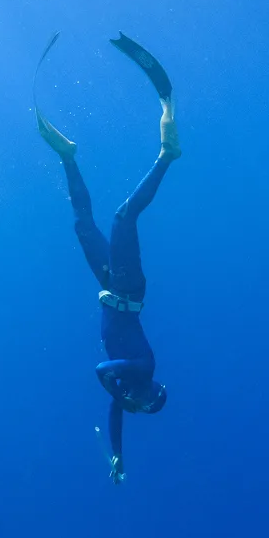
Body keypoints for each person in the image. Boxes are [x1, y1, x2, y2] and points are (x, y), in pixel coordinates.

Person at [35, 33, 180, 483]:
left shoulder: (126, 393)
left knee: (83, 225)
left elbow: (116, 415)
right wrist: (122, 394)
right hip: (128, 289)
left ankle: (67, 156)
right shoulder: (142, 371)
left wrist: (117, 457)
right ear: (151, 392)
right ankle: (167, 156)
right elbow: (102, 370)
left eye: (145, 402)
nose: (143, 399)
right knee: (122, 217)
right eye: (148, 399)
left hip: (110, 286)